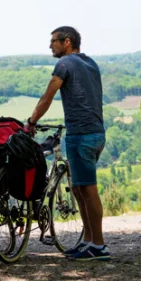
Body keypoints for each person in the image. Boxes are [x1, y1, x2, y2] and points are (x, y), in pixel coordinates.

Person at [27, 26, 109, 261]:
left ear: (68, 41)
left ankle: (99, 245)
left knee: (88, 189)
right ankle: (88, 241)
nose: (50, 45)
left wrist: (31, 121)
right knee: (78, 188)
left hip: (81, 135)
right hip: (95, 133)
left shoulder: (64, 64)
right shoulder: (90, 63)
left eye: (54, 41)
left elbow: (48, 95)